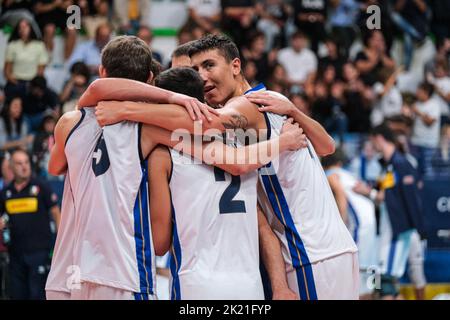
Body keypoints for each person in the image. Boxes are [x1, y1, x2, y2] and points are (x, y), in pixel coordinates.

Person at [84, 34, 359, 300]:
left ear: (236, 65)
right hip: (318, 251)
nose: (202, 76)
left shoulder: (243, 109)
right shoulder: (269, 103)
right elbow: (328, 147)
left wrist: (128, 111)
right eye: (195, 70)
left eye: (209, 65)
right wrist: (295, 115)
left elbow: (207, 124)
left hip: (306, 251)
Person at [46, 36, 301, 300]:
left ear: (101, 70)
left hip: (73, 272)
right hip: (135, 274)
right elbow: (235, 164)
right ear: (149, 78)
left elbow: (57, 166)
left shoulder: (69, 123)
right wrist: (281, 142)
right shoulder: (156, 134)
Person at [354, 124, 427, 299]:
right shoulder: (389, 165)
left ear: (379, 138)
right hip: (389, 230)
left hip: (399, 230)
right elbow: (385, 190)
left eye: (373, 141)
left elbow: (402, 199)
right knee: (382, 280)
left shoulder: (400, 164)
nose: (372, 146)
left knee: (389, 279)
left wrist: (368, 192)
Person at [0, 148, 60, 299]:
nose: (24, 166)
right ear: (11, 167)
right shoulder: (6, 192)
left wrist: (60, 245)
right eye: (19, 163)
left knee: (37, 294)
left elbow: (56, 214)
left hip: (39, 252)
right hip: (15, 255)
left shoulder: (41, 187)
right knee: (18, 295)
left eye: (26, 162)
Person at [322, 149, 378, 299]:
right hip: (371, 224)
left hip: (358, 226)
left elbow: (340, 193)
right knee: (369, 274)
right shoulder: (349, 174)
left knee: (355, 276)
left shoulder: (330, 174)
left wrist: (341, 225)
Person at [4, 18, 49, 100]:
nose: (23, 29)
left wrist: (33, 84)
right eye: (20, 27)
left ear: (31, 28)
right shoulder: (12, 45)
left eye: (25, 27)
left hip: (33, 83)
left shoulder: (39, 45)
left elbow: (41, 70)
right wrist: (15, 82)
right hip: (16, 82)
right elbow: (7, 70)